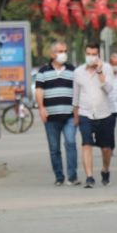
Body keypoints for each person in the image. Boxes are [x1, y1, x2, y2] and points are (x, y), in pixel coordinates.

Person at [35, 42, 80, 186]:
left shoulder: (73, 70)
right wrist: (41, 108)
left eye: (65, 51)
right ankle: (59, 176)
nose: (63, 54)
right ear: (52, 54)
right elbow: (39, 91)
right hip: (51, 116)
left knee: (71, 143)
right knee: (54, 148)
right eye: (60, 51)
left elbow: (78, 91)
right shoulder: (43, 71)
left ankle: (72, 176)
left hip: (69, 115)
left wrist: (77, 111)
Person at [72, 43, 115, 188]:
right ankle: (89, 177)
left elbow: (109, 89)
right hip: (85, 114)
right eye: (88, 54)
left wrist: (99, 72)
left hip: (105, 113)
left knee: (106, 148)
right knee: (86, 144)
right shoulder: (78, 72)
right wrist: (76, 115)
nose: (91, 57)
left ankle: (105, 169)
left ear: (98, 56)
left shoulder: (107, 68)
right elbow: (76, 96)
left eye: (93, 54)